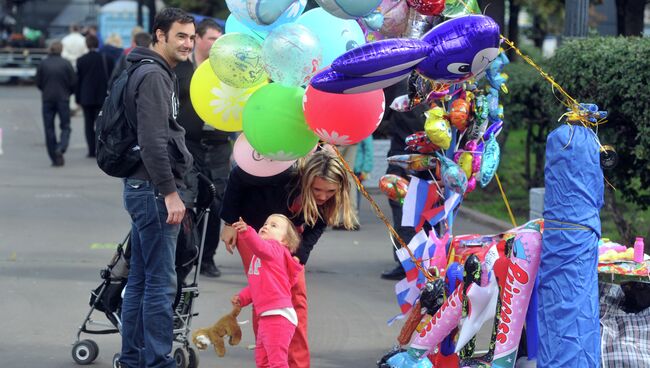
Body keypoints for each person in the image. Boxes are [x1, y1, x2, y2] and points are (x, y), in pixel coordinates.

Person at [220, 149, 357, 368]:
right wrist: (229, 223)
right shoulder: (285, 176)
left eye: (330, 191)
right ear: (306, 180)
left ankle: (297, 363)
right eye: (317, 190)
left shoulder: (328, 200)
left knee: (296, 299)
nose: (323, 196)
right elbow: (238, 175)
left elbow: (314, 230)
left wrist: (298, 259)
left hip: (288, 238)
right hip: (253, 231)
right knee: (264, 293)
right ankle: (269, 359)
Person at [117, 8, 195, 368]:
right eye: (181, 35)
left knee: (140, 278)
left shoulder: (148, 69)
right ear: (160, 35)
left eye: (191, 37)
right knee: (160, 284)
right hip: (153, 191)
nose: (188, 43)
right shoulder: (153, 76)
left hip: (141, 187)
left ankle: (133, 358)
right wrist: (170, 192)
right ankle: (157, 362)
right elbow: (152, 140)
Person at [174, 19, 230, 278]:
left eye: (221, 39)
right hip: (189, 145)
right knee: (189, 201)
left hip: (219, 145)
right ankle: (188, 254)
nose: (217, 44)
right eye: (212, 39)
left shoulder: (228, 69)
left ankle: (207, 258)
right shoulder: (182, 69)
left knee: (217, 204)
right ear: (198, 39)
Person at [230, 214, 304, 368]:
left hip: (278, 316)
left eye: (274, 225)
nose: (266, 226)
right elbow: (257, 285)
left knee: (277, 362)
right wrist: (242, 297)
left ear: (285, 241)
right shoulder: (262, 257)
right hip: (267, 317)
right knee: (263, 361)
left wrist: (247, 231)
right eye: (265, 223)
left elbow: (260, 247)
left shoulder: (276, 249)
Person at [379, 79, 429, 280]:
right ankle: (422, 258)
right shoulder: (438, 80)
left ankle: (407, 261)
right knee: (425, 206)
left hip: (405, 152)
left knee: (403, 205)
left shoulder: (398, 79)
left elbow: (382, 114)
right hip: (430, 153)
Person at [35, 40, 76, 167]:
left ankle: (54, 156)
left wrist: (45, 90)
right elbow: (74, 81)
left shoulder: (43, 63)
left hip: (47, 98)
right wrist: (68, 92)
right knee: (65, 126)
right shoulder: (66, 63)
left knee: (49, 128)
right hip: (63, 98)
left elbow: (38, 81)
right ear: (61, 49)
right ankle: (61, 147)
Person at [76, 34, 114, 158]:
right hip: (102, 96)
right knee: (101, 124)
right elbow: (112, 78)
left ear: (86, 45)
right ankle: (100, 148)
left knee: (88, 124)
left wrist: (77, 98)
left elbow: (79, 80)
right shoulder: (106, 59)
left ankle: (91, 150)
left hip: (86, 96)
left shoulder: (81, 60)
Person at [353, 136, 374, 218]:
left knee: (354, 193)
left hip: (357, 168)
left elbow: (369, 150)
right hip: (351, 165)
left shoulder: (365, 130)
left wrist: (366, 169)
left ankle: (354, 215)